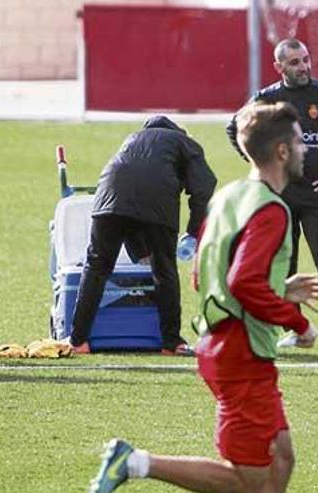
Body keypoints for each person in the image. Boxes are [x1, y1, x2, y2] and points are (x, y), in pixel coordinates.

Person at [87, 101, 318, 493]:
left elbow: (205, 273)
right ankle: (134, 461)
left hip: (222, 343)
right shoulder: (271, 210)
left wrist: (279, 288)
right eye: (300, 142)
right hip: (242, 354)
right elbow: (242, 283)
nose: (306, 149)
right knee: (246, 482)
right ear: (283, 151)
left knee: (282, 458)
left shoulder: (229, 197)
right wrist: (298, 323)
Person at [226, 38, 318, 350]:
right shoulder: (267, 98)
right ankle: (294, 327)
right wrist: (259, 164)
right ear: (279, 67)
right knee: (283, 260)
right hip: (281, 195)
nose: (303, 67)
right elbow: (234, 128)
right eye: (295, 62)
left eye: (305, 60)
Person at [67, 116, 217, 356]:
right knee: (164, 271)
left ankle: (77, 340)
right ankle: (171, 343)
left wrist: (140, 251)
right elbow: (205, 185)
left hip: (108, 199)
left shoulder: (132, 140)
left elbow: (129, 202)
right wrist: (193, 231)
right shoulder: (185, 142)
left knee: (96, 266)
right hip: (156, 203)